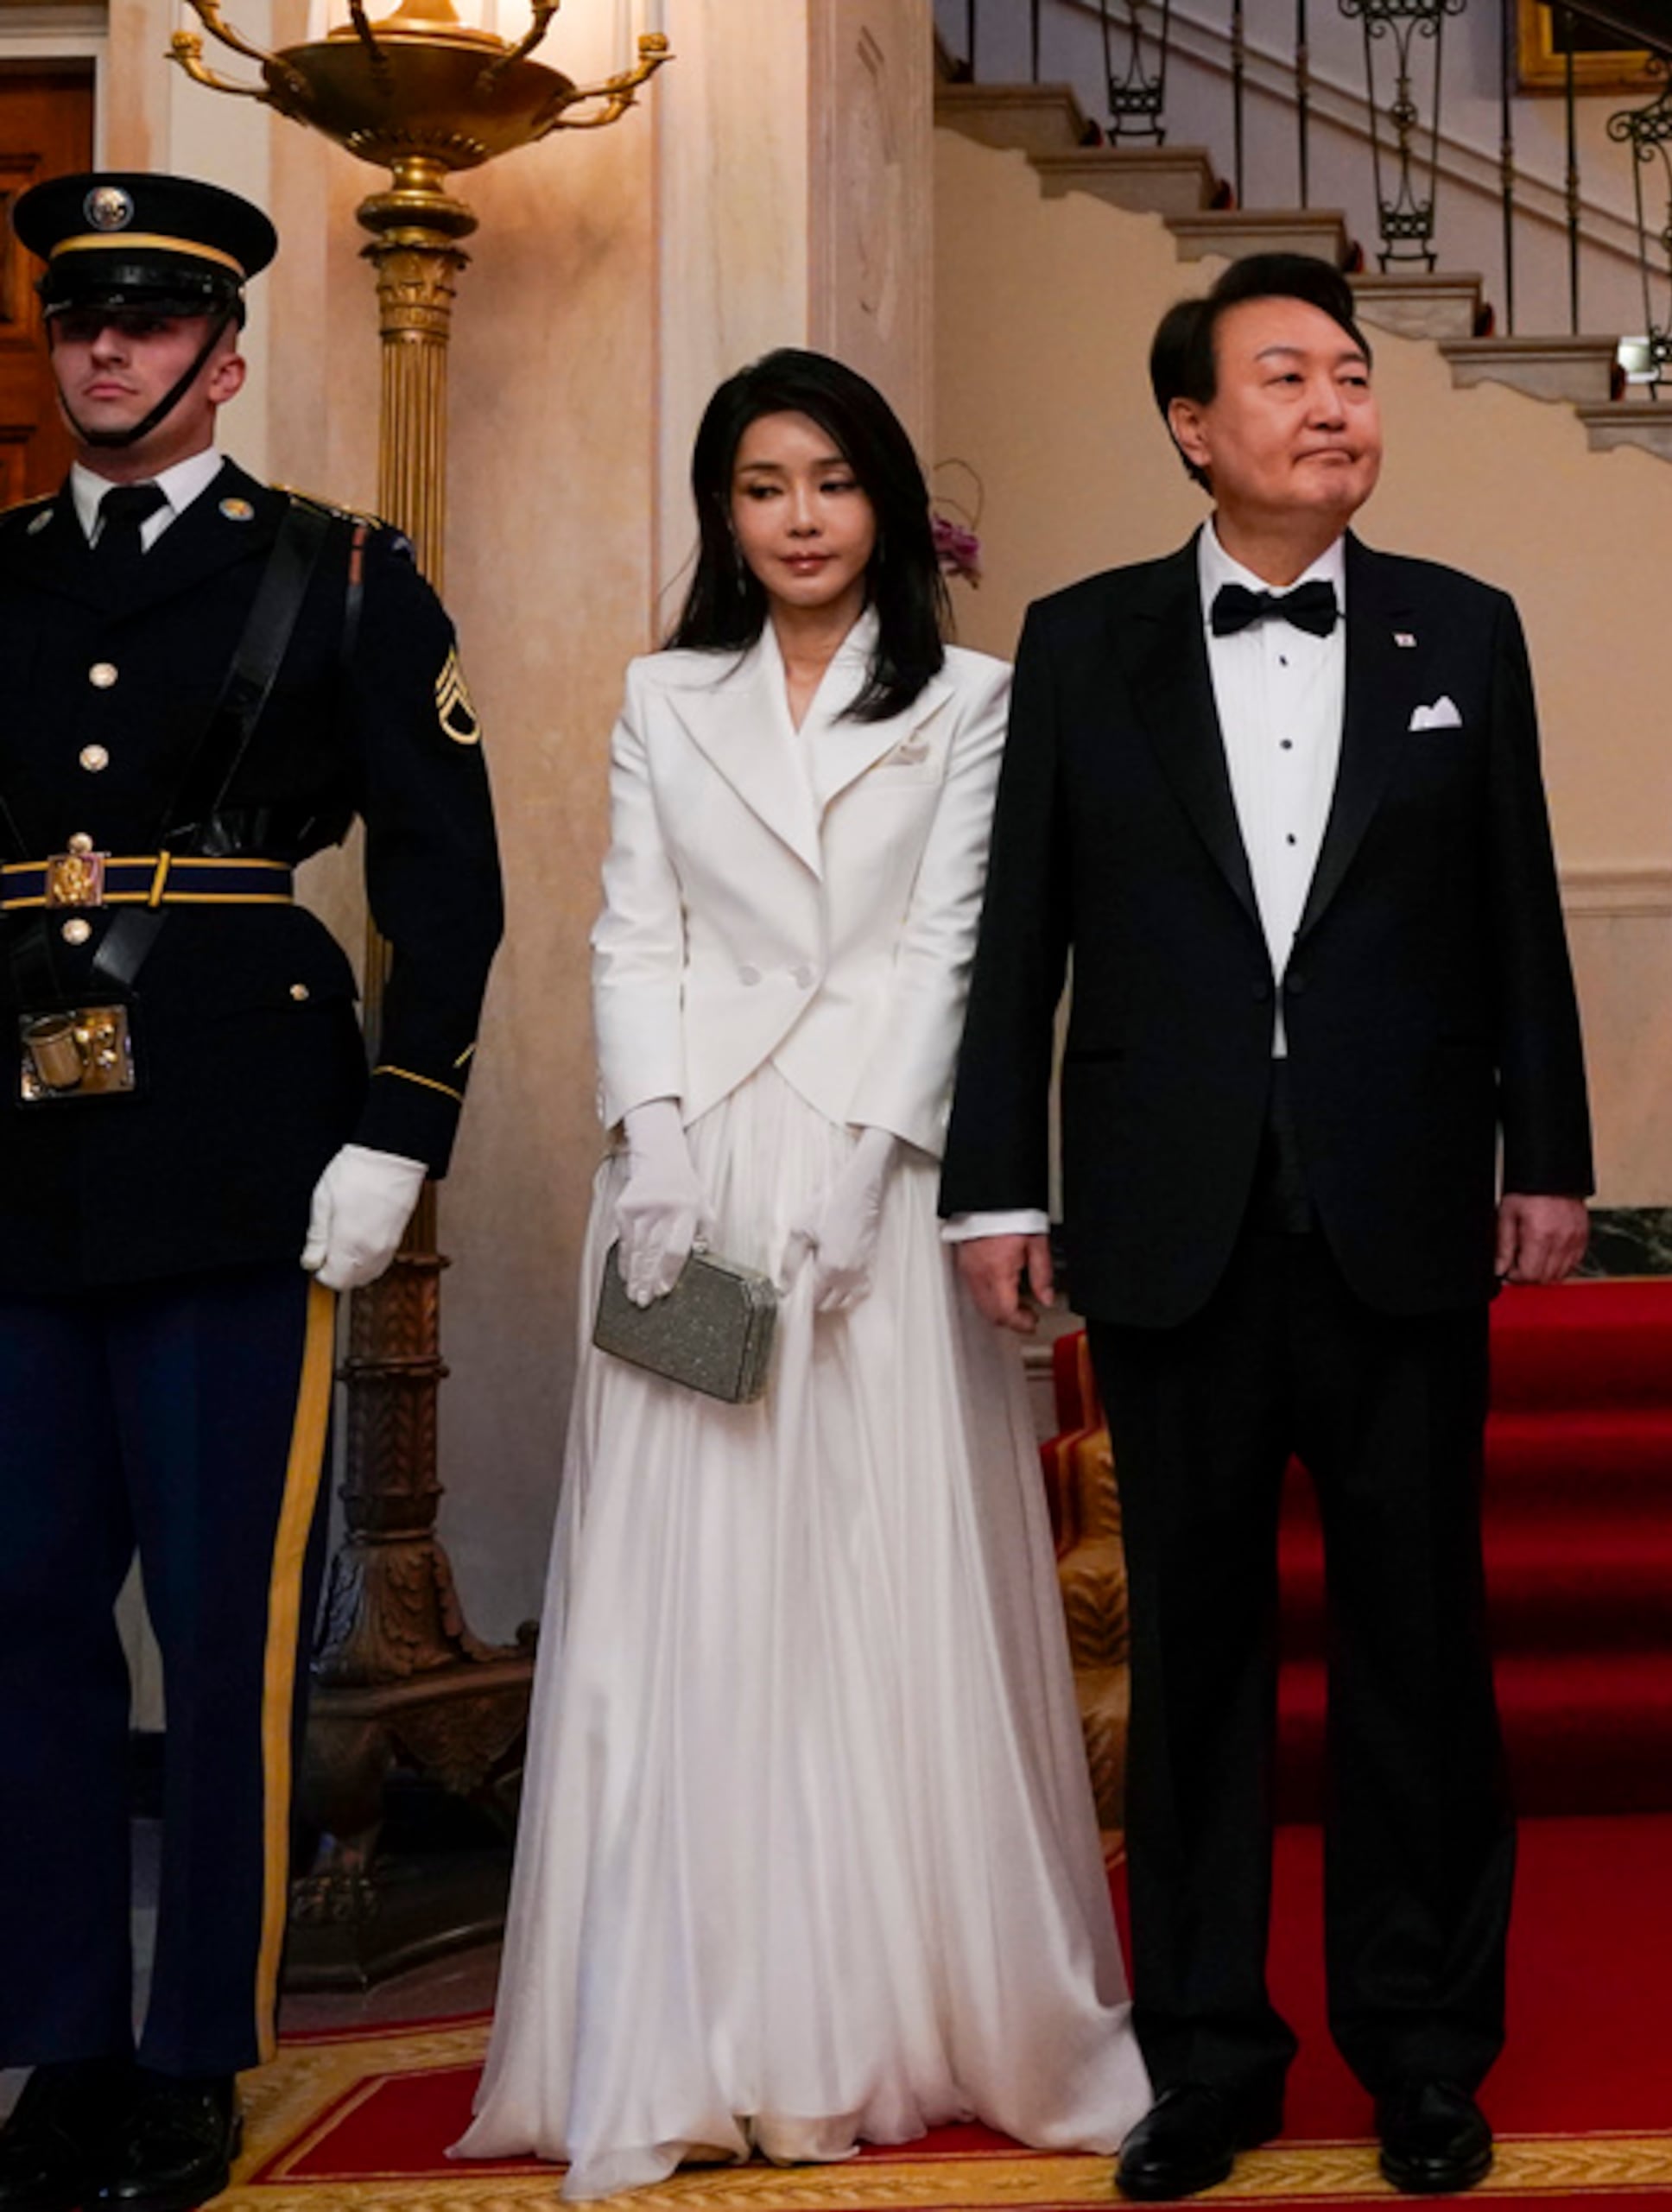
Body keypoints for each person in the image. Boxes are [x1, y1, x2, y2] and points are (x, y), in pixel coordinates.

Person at [453, 349, 1150, 2196]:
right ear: (723, 514)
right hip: (688, 1191)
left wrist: (866, 1169)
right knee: (695, 1610)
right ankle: (697, 2027)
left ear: (890, 503)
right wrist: (658, 1142)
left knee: (882, 1586)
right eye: (762, 487)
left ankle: (898, 2010)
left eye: (831, 482)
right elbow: (633, 927)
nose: (799, 518)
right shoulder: (662, 695)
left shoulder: (979, 700)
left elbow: (950, 950)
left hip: (876, 1179)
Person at [941, 254, 1592, 2202]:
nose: (1335, 407)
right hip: (1169, 1220)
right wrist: (996, 1182)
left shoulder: (1465, 629)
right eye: (1287, 377)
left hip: (1400, 1217)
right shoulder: (1082, 643)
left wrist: (1545, 1154)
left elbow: (1519, 922)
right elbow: (1020, 946)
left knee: (1419, 1654)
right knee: (1198, 1659)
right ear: (1192, 426)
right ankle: (1209, 2054)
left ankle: (1423, 2050)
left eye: (1354, 378)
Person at [0, 174, 501, 2212]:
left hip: (238, 1166)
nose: (101, 352)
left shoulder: (342, 576)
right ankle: (59, 2044)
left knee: (218, 1632)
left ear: (221, 352)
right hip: (16, 1170)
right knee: (21, 1618)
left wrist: (401, 1125)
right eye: (73, 323)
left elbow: (445, 884)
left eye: (144, 323)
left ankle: (200, 2048)